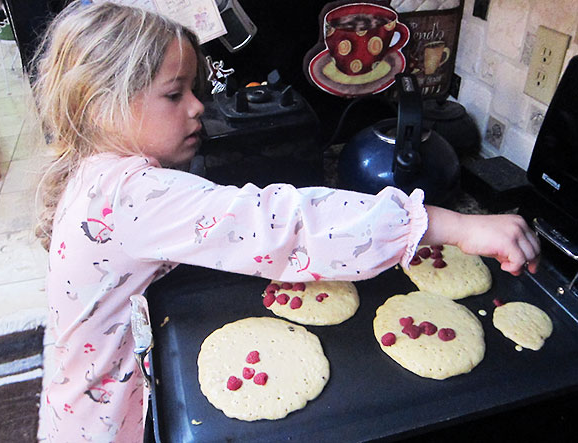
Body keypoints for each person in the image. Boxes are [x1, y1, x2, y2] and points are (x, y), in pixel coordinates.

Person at [32, 1, 540, 442]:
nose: (197, 107)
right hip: (115, 421)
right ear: (102, 107)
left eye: (194, 88)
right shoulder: (133, 195)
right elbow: (284, 225)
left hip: (78, 403)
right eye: (174, 94)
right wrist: (447, 223)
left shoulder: (96, 172)